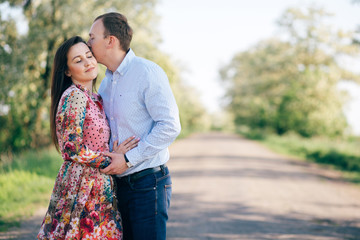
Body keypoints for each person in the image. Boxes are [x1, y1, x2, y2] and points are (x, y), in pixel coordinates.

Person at [87, 12, 181, 240]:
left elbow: (170, 126)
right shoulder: (105, 83)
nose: (88, 43)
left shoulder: (147, 72)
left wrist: (128, 159)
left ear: (110, 41)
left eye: (92, 37)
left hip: (148, 183)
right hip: (118, 187)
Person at [37, 36, 139, 239]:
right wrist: (111, 159)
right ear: (67, 71)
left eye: (89, 56)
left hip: (99, 185)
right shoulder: (74, 96)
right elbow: (71, 148)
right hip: (82, 186)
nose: (88, 62)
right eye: (78, 60)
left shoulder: (94, 97)